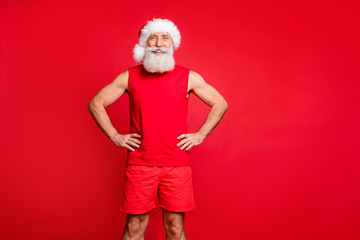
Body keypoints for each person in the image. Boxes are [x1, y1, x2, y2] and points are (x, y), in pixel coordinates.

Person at [88, 17, 228, 240]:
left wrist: (201, 134)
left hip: (176, 165)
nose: (159, 43)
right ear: (144, 44)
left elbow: (220, 103)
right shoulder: (129, 76)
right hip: (140, 165)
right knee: (135, 227)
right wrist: (115, 135)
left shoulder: (188, 76)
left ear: (173, 44)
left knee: (174, 226)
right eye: (153, 38)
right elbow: (96, 103)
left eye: (165, 38)